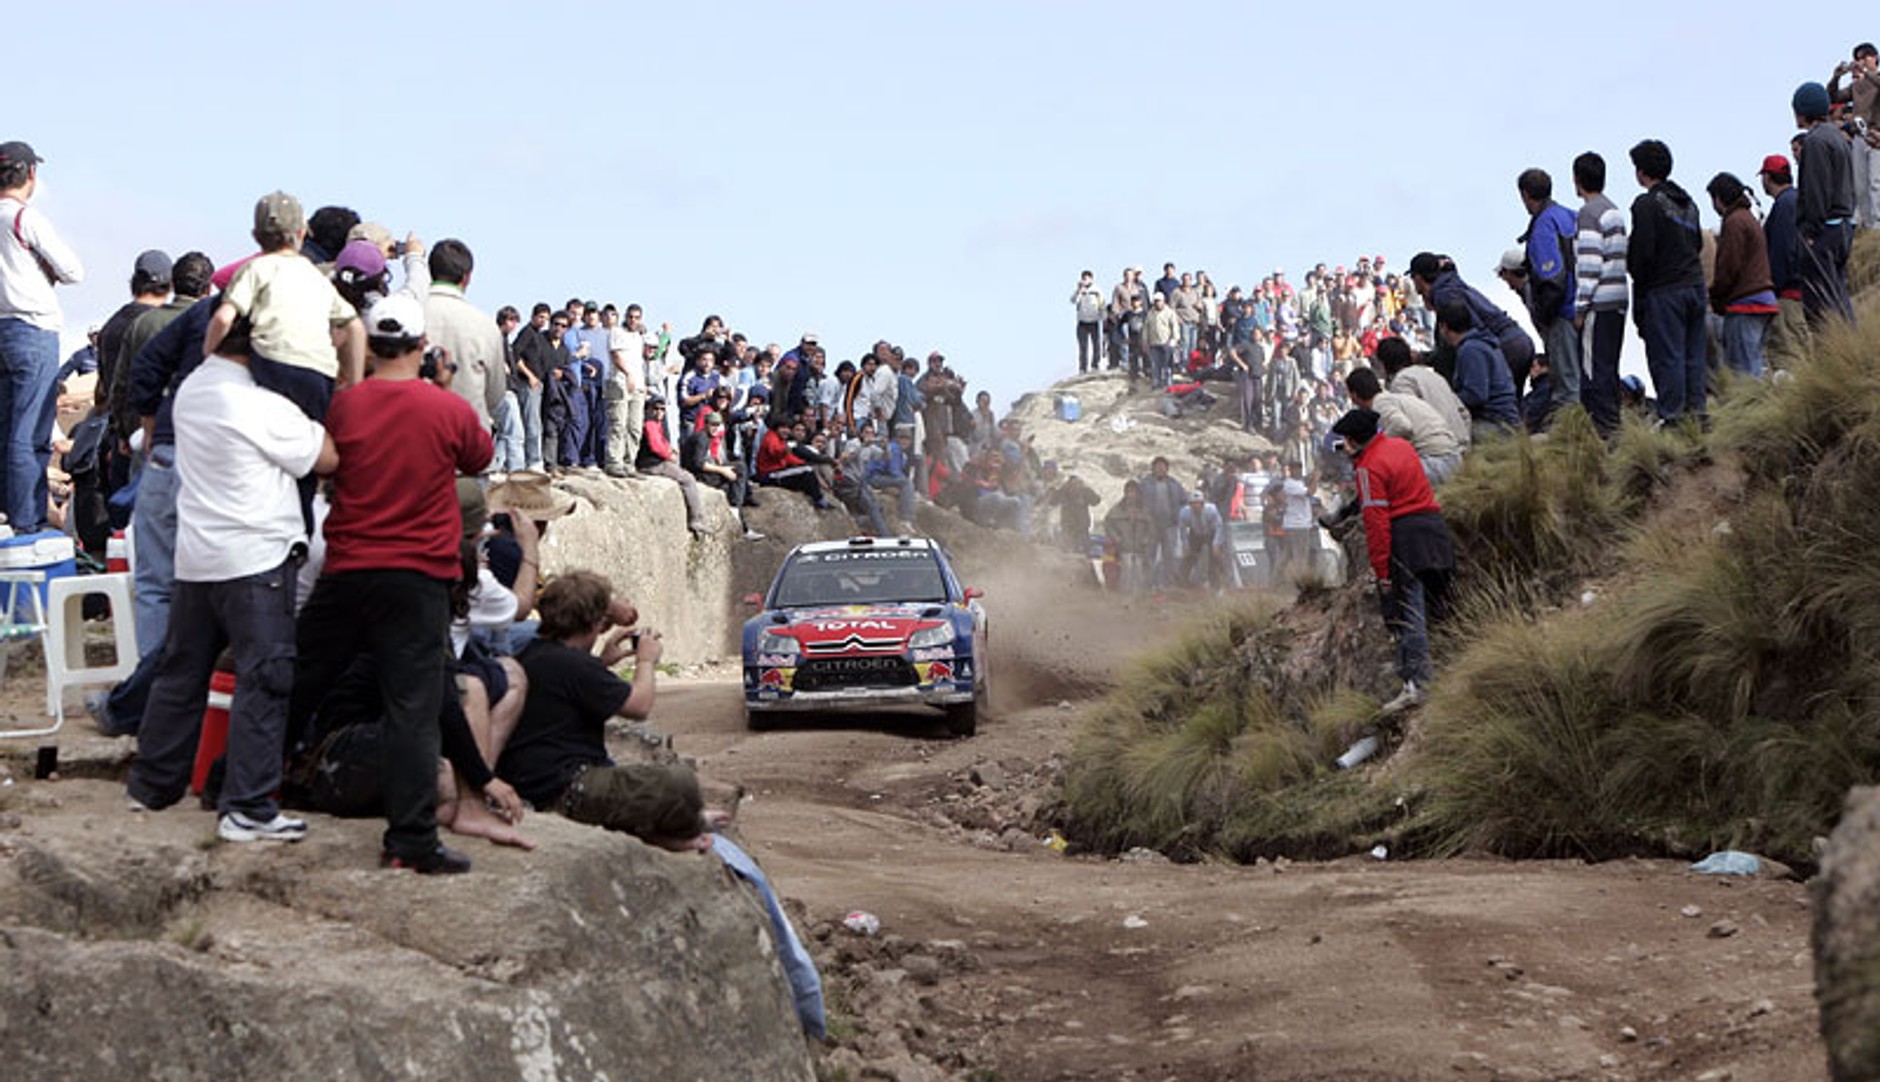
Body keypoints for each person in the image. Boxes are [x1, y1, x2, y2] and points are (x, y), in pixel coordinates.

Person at [288, 293, 493, 875]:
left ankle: (237, 786)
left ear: (373, 345)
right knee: (413, 708)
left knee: (299, 677)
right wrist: (446, 387)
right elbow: (480, 455)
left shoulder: (345, 407)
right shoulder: (444, 409)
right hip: (418, 575)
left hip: (349, 567)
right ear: (424, 347)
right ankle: (410, 838)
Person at [126, 322, 337, 841]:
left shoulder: (193, 390)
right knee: (265, 680)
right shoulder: (263, 405)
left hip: (199, 557)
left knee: (180, 672)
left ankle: (152, 786)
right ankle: (248, 805)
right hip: (256, 556)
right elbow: (327, 457)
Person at [1332, 407, 1455, 713]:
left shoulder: (1367, 468)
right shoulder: (1402, 446)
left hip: (1406, 540)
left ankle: (1419, 685)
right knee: (1439, 607)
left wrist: (1383, 571)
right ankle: (1446, 673)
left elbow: (1376, 524)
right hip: (1434, 530)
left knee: (1407, 614)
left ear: (1351, 441)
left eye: (1345, 443)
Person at [0, 140, 83, 534]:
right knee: (30, 432)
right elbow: (72, 270)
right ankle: (27, 522)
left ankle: (10, 512)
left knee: (6, 429)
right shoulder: (24, 218)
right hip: (32, 327)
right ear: (30, 173)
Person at [1626, 139, 1710, 424]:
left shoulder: (1646, 204)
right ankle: (1697, 414)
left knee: (1668, 356)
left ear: (1641, 172)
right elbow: (1697, 242)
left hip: (1665, 290)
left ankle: (1672, 419)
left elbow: (1642, 254)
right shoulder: (1689, 205)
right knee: (1694, 355)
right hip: (1695, 286)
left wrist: (1636, 272)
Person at [1407, 252, 1534, 396]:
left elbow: (1460, 336)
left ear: (1418, 278)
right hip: (1520, 341)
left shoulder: (1444, 296)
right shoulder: (1454, 286)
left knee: (1486, 399)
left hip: (1504, 344)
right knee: (1508, 403)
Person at [423, 238, 506, 440]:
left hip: (416, 448)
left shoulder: (408, 313)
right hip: (469, 446)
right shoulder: (485, 325)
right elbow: (495, 396)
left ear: (430, 270)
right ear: (466, 277)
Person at [1791, 81, 1858, 326]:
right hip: (1843, 226)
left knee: (1821, 306)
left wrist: (1810, 231)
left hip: (1825, 230)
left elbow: (1816, 190)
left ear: (1802, 111)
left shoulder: (1815, 141)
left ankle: (1831, 359)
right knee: (1838, 298)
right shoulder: (1838, 138)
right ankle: (1849, 353)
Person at [1572, 152, 1630, 435]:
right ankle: (1615, 426)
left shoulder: (1588, 213)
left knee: (1594, 372)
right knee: (1610, 366)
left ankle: (1605, 433)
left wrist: (1580, 307)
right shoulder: (1614, 211)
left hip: (1599, 303)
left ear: (1577, 179)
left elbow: (1589, 263)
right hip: (1619, 298)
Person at [1515, 168, 1580, 410]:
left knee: (1566, 386)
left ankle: (1571, 438)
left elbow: (1552, 277)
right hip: (1585, 308)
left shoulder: (1544, 225)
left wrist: (1545, 315)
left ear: (1525, 194)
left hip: (1562, 313)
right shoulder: (1571, 216)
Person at [1706, 172, 1779, 379]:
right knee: (1754, 364)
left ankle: (1749, 408)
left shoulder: (1734, 222)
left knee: (1743, 372)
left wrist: (1716, 296)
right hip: (1764, 299)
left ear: (1719, 198)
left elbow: (1729, 266)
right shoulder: (1748, 218)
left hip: (1746, 302)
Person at [1344, 366, 1462, 485]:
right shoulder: (1396, 399)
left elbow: (1402, 426)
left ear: (1354, 395)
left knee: (1378, 476)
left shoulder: (1380, 405)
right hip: (1452, 458)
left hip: (1435, 462)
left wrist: (1373, 448)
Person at [1436, 300, 1519, 440]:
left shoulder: (1470, 350)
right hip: (1505, 420)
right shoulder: (1483, 344)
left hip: (1496, 424)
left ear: (1444, 327)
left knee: (1444, 437)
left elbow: (1476, 395)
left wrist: (1446, 400)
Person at [635, 396, 710, 536]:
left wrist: (670, 449)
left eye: (662, 410)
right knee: (688, 479)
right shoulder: (649, 424)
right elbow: (655, 446)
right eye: (655, 409)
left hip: (654, 462)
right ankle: (696, 519)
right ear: (648, 410)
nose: (659, 412)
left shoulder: (654, 424)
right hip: (652, 465)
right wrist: (669, 456)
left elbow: (661, 441)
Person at [682, 410, 761, 540]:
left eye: (717, 425)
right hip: (698, 476)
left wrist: (723, 466)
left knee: (739, 468)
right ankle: (736, 510)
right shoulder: (701, 438)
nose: (715, 428)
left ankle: (739, 514)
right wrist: (722, 470)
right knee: (738, 472)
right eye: (712, 424)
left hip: (702, 473)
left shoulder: (707, 437)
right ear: (706, 424)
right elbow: (698, 464)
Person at [1828, 42, 1880, 229]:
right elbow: (1833, 97)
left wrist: (1865, 73)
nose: (1861, 62)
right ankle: (1865, 225)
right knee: (1860, 185)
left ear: (1875, 58)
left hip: (1877, 136)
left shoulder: (1875, 79)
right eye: (1858, 58)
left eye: (1865, 57)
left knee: (1876, 182)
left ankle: (1877, 225)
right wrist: (1836, 77)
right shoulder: (1856, 86)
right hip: (1859, 135)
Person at [1758, 155, 1807, 353]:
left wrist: (1773, 287)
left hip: (1788, 295)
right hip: (1800, 289)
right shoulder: (1795, 199)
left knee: (1789, 355)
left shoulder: (1784, 204)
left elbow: (1783, 249)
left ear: (1768, 178)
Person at [1140, 456, 1185, 591]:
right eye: (1157, 466)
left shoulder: (1174, 484)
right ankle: (1148, 585)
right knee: (1149, 556)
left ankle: (1168, 584)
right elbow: (1137, 502)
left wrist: (1178, 517)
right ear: (1153, 468)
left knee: (1169, 556)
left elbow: (1184, 500)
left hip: (1170, 525)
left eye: (1163, 466)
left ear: (1167, 469)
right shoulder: (1145, 484)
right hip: (1150, 526)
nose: (1160, 469)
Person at [1103, 480, 1155, 591]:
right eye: (1129, 491)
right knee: (1126, 571)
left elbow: (1151, 527)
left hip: (1140, 547)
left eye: (1134, 492)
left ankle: (1139, 595)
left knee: (1139, 572)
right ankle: (1124, 595)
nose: (1131, 494)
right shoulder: (1117, 509)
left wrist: (1146, 539)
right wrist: (1117, 538)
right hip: (1124, 546)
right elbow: (1108, 525)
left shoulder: (1144, 510)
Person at [1175, 489, 1230, 592]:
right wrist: (1185, 545)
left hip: (1211, 533)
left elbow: (1219, 527)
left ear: (1203, 504)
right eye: (1193, 504)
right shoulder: (1184, 513)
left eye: (1198, 504)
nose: (1196, 507)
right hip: (1195, 533)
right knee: (1188, 558)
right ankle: (1182, 584)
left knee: (1214, 559)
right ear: (1190, 505)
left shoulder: (1211, 510)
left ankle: (1217, 585)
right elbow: (1182, 530)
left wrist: (1216, 544)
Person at [1071, 270, 1104, 373]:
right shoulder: (1080, 290)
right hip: (1082, 322)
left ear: (1091, 279)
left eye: (1087, 278)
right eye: (1084, 278)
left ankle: (1095, 365)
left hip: (1094, 321)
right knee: (1083, 346)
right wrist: (1079, 290)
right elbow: (1073, 301)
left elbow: (1102, 303)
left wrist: (1102, 317)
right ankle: (1082, 368)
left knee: (1096, 345)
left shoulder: (1097, 290)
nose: (1085, 280)